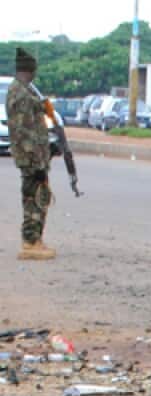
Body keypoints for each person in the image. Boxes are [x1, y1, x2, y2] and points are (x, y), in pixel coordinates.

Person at [6, 48, 56, 261]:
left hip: (34, 156)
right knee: (33, 199)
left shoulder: (24, 91)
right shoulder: (20, 94)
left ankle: (35, 239)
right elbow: (23, 131)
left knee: (38, 198)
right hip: (31, 158)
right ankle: (30, 242)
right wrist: (36, 160)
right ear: (29, 70)